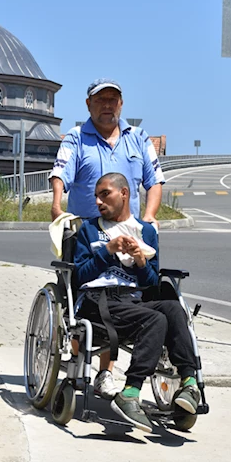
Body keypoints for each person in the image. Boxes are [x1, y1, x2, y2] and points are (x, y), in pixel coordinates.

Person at [49, 78, 166, 399]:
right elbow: (60, 172)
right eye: (101, 100)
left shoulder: (137, 138)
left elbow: (154, 181)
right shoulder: (76, 138)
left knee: (122, 293)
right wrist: (57, 204)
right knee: (83, 296)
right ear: (89, 105)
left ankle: (105, 372)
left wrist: (151, 215)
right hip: (88, 230)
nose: (107, 105)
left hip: (127, 230)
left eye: (113, 100)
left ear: (121, 104)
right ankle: (76, 361)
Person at [72, 172, 200, 433]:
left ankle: (189, 383)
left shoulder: (147, 232)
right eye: (96, 196)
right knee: (155, 319)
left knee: (172, 309)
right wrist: (107, 252)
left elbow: (151, 283)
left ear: (124, 194)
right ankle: (130, 392)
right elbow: (78, 277)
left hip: (133, 302)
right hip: (98, 303)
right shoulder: (89, 230)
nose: (98, 201)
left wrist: (141, 262)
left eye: (104, 194)